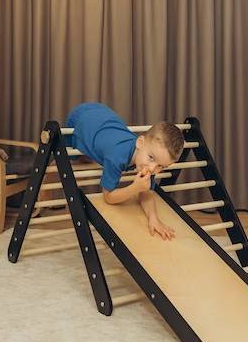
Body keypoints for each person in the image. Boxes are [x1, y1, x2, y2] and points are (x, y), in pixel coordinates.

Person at [65, 103, 185, 240]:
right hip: (81, 118)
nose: (153, 169)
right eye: (151, 158)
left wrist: (154, 219)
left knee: (90, 155)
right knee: (68, 158)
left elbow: (146, 193)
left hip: (101, 116)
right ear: (140, 143)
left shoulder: (147, 161)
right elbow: (108, 197)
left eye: (161, 166)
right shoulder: (116, 156)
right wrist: (135, 188)